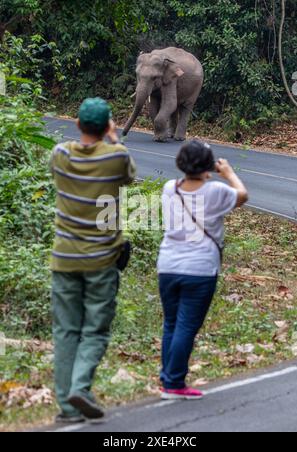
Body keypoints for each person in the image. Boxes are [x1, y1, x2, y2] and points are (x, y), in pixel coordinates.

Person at [50, 98, 136, 423]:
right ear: (107, 127)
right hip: (101, 260)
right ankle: (80, 387)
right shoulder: (116, 156)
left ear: (77, 125)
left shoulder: (60, 154)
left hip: (64, 258)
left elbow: (66, 156)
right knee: (95, 330)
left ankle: (68, 408)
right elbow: (128, 176)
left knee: (65, 331)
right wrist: (114, 137)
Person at [157, 139, 248, 400]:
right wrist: (229, 173)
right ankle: (174, 384)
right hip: (200, 269)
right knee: (186, 326)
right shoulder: (217, 191)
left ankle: (168, 379)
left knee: (171, 324)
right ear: (208, 167)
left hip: (168, 265)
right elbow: (243, 195)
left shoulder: (169, 188)